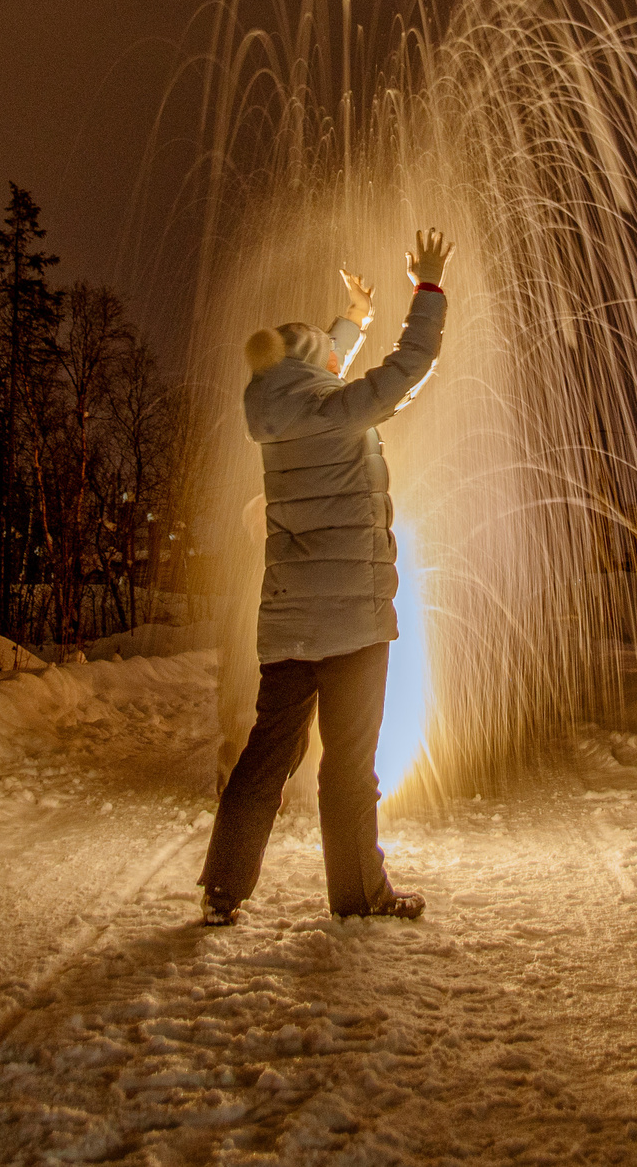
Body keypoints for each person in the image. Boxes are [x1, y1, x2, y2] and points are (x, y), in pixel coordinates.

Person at [198, 227, 453, 926]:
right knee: (347, 766)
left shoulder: (274, 415)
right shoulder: (339, 412)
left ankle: (223, 887)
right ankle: (358, 895)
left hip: (287, 624)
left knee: (265, 759)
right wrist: (426, 288)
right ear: (316, 367)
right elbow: (413, 361)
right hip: (354, 627)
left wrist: (354, 320)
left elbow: (317, 367)